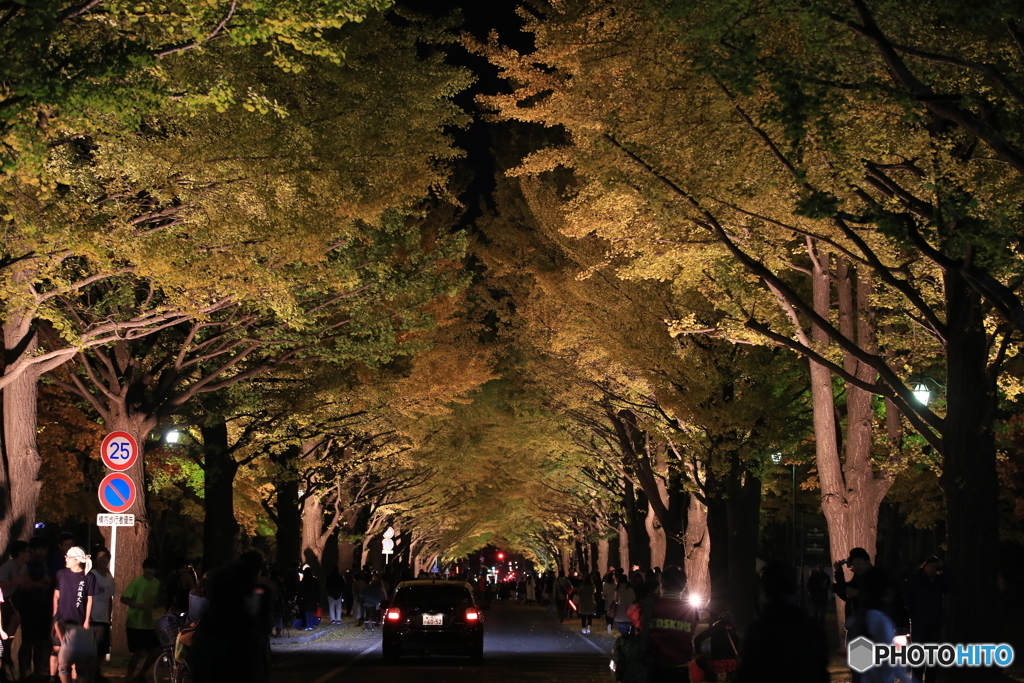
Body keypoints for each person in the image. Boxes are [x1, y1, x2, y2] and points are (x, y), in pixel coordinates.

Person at [735, 561, 829, 683]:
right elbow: (821, 673)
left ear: (765, 589)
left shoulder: (759, 629)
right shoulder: (812, 627)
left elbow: (747, 674)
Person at [626, 566, 698, 682]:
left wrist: (652, 596)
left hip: (655, 667)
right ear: (684, 586)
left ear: (661, 581)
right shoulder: (691, 610)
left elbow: (631, 612)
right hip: (681, 669)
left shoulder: (650, 605)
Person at [903, 556, 954, 683]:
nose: (933, 569)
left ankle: (929, 680)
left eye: (935, 567)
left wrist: (945, 568)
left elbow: (951, 586)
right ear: (924, 565)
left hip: (935, 622)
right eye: (931, 566)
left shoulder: (938, 580)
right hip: (920, 622)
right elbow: (907, 599)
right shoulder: (914, 580)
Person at [51, 547, 96, 683]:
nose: (66, 559)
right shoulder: (61, 574)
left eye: (69, 557)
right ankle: (54, 677)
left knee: (76, 653)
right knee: (57, 649)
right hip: (62, 617)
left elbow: (90, 599)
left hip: (78, 620)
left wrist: (87, 619)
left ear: (77, 560)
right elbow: (56, 595)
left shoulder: (88, 576)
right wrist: (55, 615)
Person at [120, 558, 161, 683]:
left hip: (148, 623)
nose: (149, 571)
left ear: (156, 570)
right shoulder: (137, 582)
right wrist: (137, 605)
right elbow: (124, 598)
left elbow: (156, 600)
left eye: (152, 568)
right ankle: (128, 677)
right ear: (143, 569)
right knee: (138, 652)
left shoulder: (156, 583)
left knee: (157, 649)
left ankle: (141, 674)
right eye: (147, 568)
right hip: (135, 623)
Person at [20, 537, 52, 681]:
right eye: (40, 549)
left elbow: (47, 582)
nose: (43, 552)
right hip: (29, 606)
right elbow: (27, 585)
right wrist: (40, 583)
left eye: (45, 549)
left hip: (44, 605)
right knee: (27, 641)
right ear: (32, 550)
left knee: (41, 641)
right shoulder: (27, 565)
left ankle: (37, 672)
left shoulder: (43, 565)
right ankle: (23, 673)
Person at [0, 541, 30, 680]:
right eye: (27, 552)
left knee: (16, 619)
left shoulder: (23, 567)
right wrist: (17, 582)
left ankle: (6, 647)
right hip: (2, 599)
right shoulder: (8, 566)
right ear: (20, 553)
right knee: (15, 618)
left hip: (8, 600)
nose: (29, 554)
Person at [87, 548, 115, 683]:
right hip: (92, 619)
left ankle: (95, 674)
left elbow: (110, 598)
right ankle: (89, 677)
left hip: (104, 619)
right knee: (92, 651)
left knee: (102, 651)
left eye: (105, 556)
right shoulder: (91, 575)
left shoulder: (109, 578)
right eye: (99, 556)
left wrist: (109, 618)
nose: (102, 559)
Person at [694, 612, 741, 681]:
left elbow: (697, 639)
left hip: (716, 663)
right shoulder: (732, 630)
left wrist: (699, 653)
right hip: (732, 664)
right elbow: (738, 644)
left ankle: (712, 678)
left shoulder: (714, 629)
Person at [806, 565, 831, 629]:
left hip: (822, 597)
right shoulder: (814, 576)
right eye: (819, 567)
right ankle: (816, 626)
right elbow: (809, 585)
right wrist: (811, 593)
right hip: (816, 597)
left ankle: (820, 626)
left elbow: (828, 585)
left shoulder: (826, 576)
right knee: (815, 613)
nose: (820, 569)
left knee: (822, 614)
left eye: (821, 567)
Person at [299, 566, 319, 631]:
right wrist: (318, 599)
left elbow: (300, 591)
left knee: (307, 612)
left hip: (305, 599)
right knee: (311, 612)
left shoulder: (304, 581)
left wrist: (299, 600)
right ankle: (311, 625)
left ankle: (308, 625)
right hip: (313, 598)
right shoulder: (314, 581)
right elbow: (318, 590)